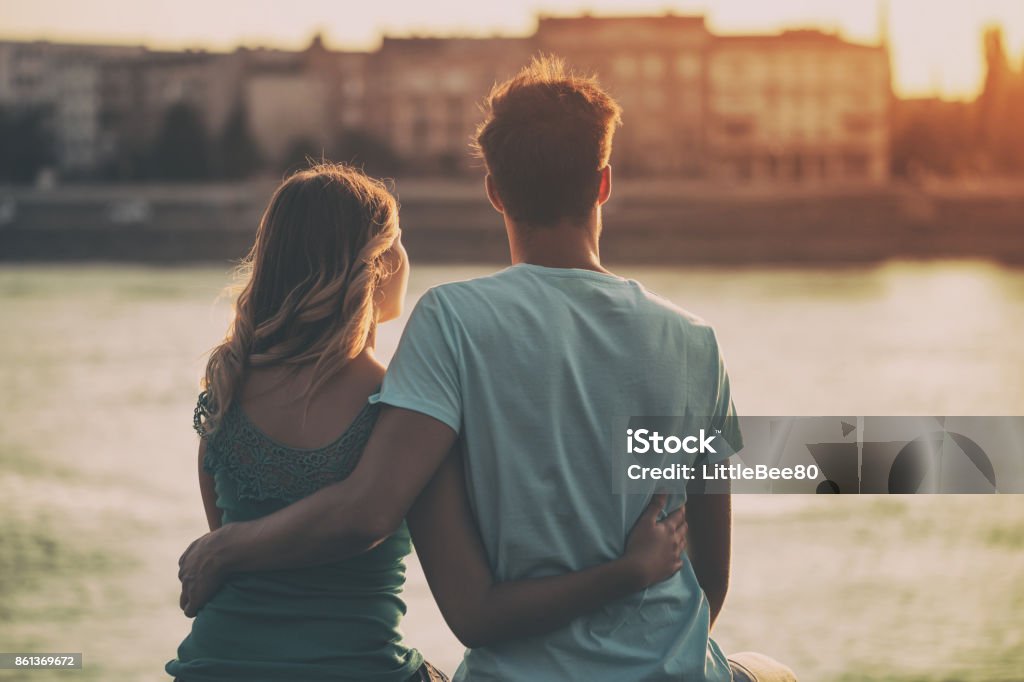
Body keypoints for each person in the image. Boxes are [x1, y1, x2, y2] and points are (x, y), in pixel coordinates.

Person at [178, 58, 797, 681]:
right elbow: (709, 585)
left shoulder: (451, 322)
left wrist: (228, 545)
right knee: (770, 671)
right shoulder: (695, 340)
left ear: (494, 190)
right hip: (672, 670)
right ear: (604, 183)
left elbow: (430, 570)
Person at [167, 163, 692, 681]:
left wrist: (227, 548)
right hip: (358, 669)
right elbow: (476, 610)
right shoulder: (404, 406)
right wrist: (630, 571)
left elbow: (237, 555)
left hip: (211, 665)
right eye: (398, 241)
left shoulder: (226, 389)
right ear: (376, 264)